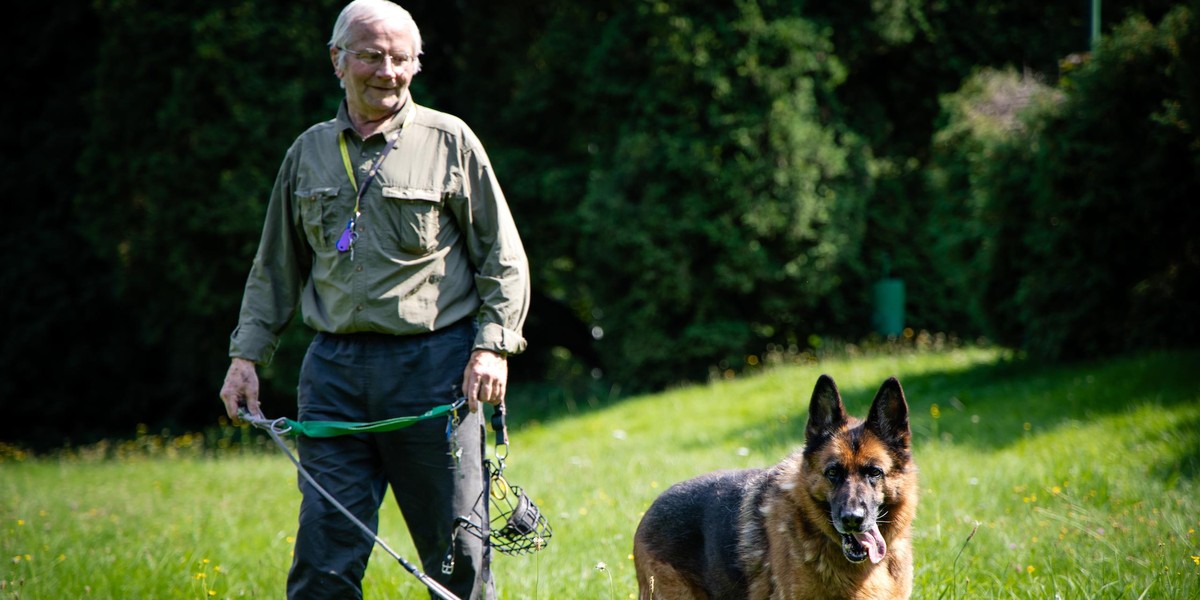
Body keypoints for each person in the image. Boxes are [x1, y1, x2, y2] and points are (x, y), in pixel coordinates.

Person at [218, 1, 529, 598]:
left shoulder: (451, 140)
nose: (388, 70)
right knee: (322, 561)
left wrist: (492, 348)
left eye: (401, 58)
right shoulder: (306, 153)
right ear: (338, 61)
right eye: (371, 55)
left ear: (416, 64)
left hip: (436, 372)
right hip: (332, 374)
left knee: (459, 557)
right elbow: (274, 268)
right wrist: (246, 357)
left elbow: (504, 258)